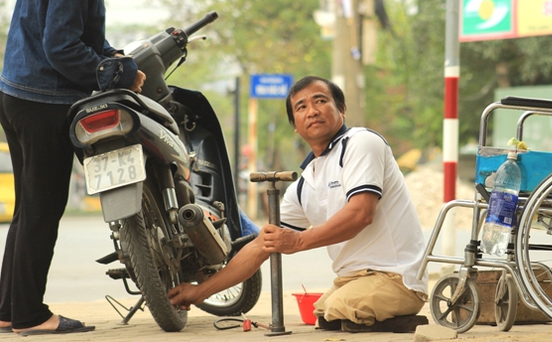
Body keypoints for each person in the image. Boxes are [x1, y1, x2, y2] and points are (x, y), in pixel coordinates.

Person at [0, 0, 169, 336]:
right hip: (44, 101)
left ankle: (9, 311)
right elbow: (62, 48)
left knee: (29, 209)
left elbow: (68, 37)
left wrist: (112, 57)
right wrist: (117, 74)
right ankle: (30, 317)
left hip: (17, 93)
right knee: (42, 210)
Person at [168, 75, 429, 333]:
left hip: (395, 279)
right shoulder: (304, 185)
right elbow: (260, 246)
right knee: (325, 314)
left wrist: (299, 241)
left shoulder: (361, 143)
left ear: (342, 110)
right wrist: (200, 292)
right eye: (301, 107)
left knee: (341, 310)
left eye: (320, 101)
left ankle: (404, 316)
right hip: (352, 280)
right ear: (295, 124)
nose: (312, 111)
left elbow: (361, 214)